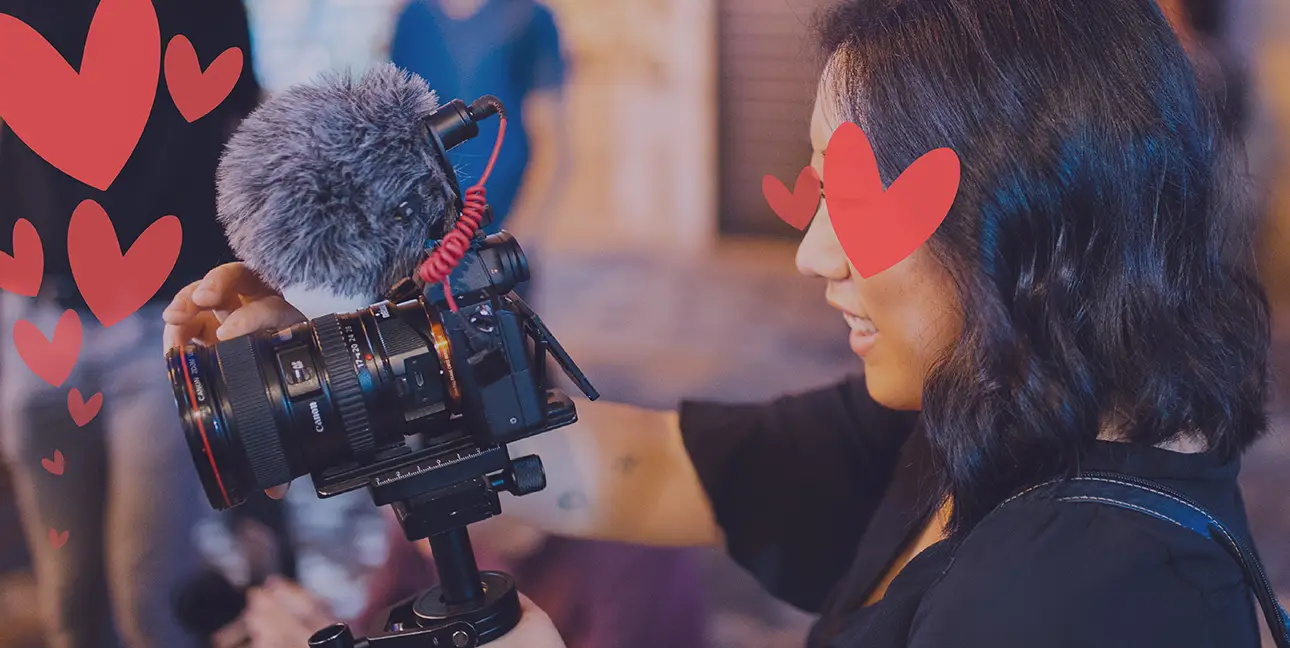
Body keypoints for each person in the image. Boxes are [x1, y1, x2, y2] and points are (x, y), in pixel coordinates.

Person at [163, 0, 1277, 646]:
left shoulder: (1096, 598)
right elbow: (656, 469)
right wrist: (354, 354)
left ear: (1028, 217)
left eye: (856, 200)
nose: (812, 253)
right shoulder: (985, 414)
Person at [0, 1, 261, 647]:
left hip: (163, 326)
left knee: (152, 598)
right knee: (71, 603)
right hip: (37, 323)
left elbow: (243, 136)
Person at [387, 0, 572, 253]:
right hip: (423, 237)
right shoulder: (413, 18)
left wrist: (521, 237)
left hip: (501, 225)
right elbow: (395, 132)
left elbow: (551, 142)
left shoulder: (528, 15)